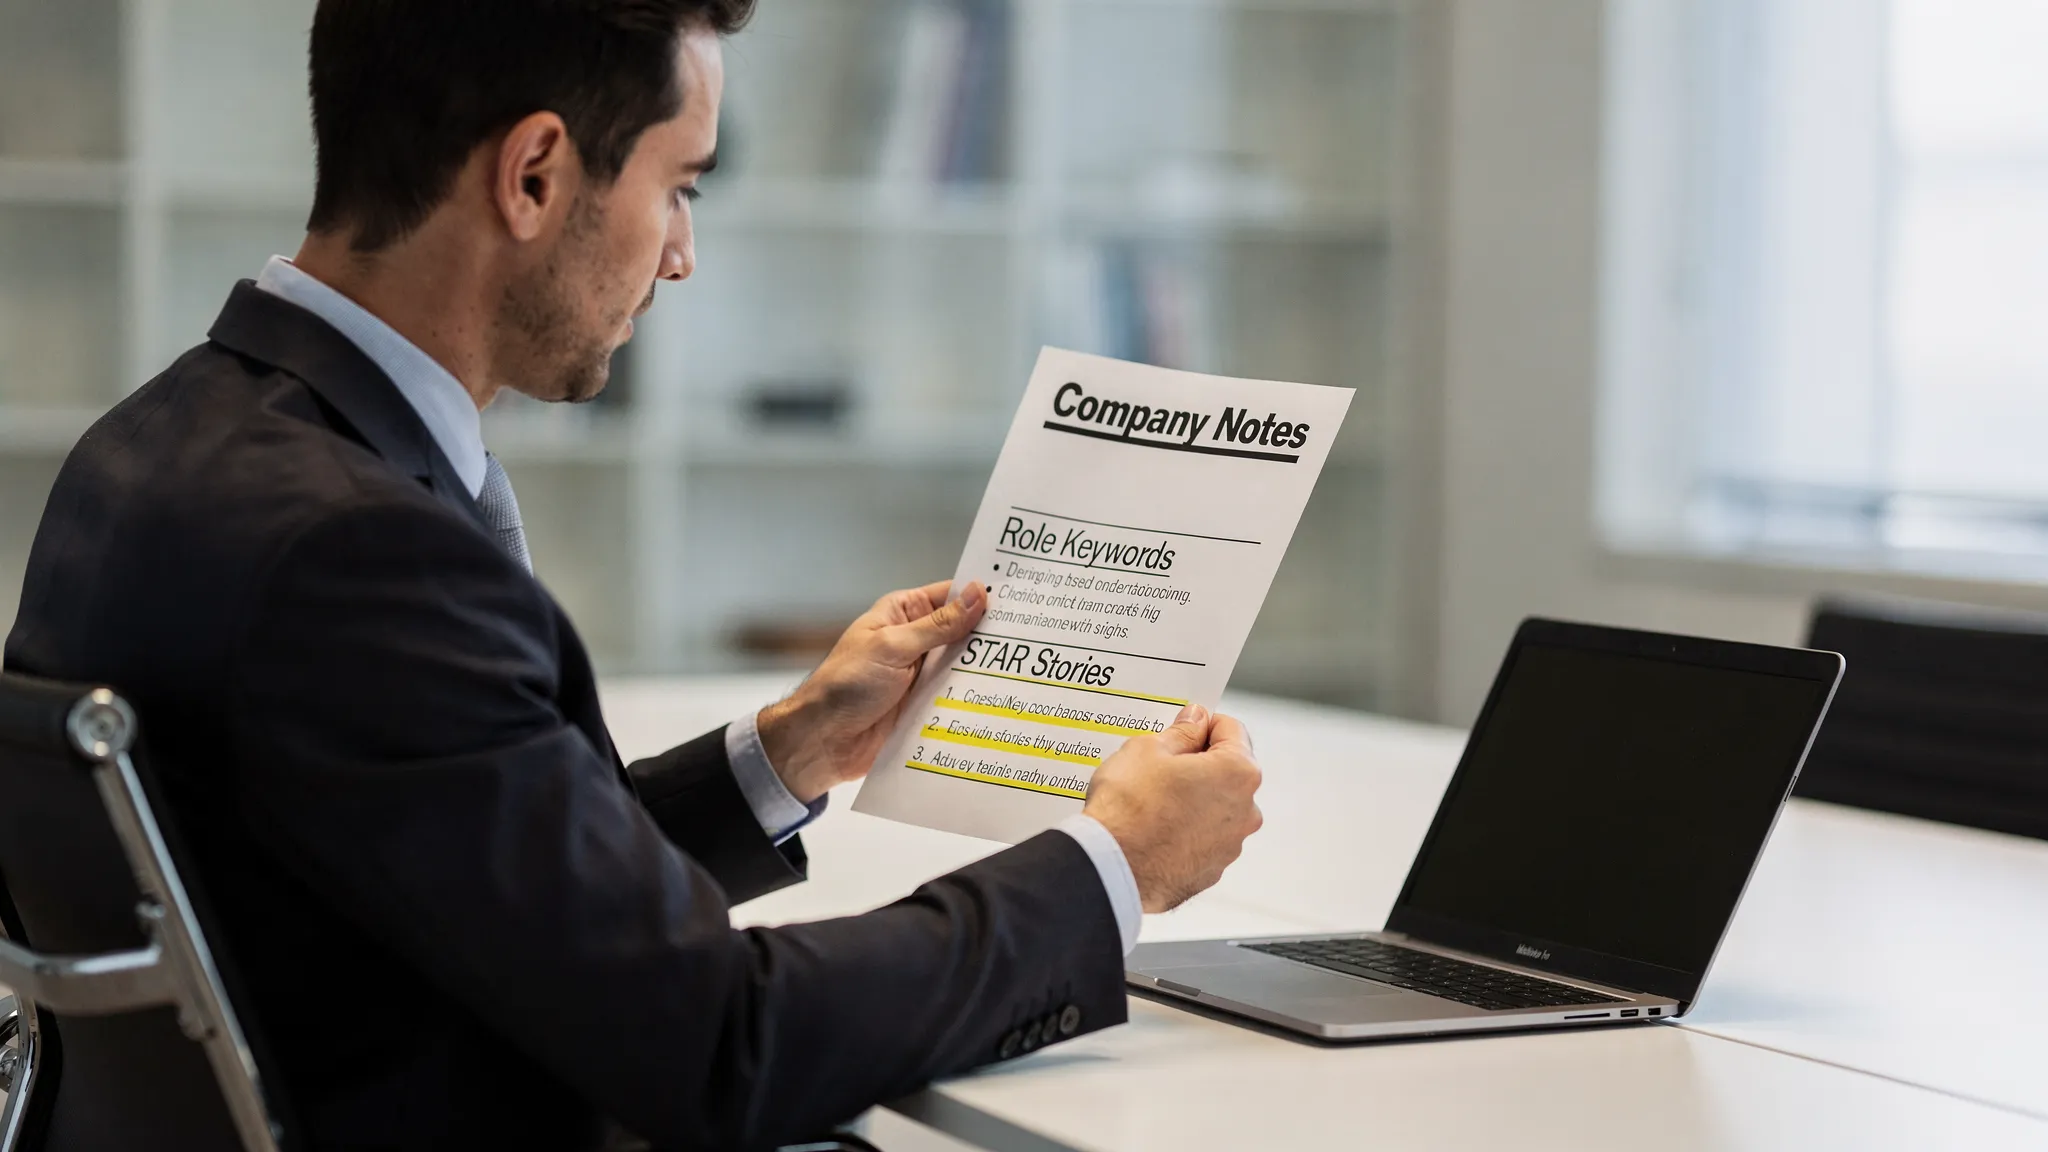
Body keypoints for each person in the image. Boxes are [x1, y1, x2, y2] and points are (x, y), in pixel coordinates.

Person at [2, 1, 1264, 1149]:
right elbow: (720, 1047)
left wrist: (786, 751)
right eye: (681, 188)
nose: (679, 257)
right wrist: (1112, 864)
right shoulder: (360, 555)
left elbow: (468, 875)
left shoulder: (157, 447)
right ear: (536, 173)